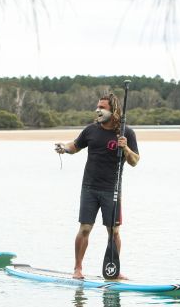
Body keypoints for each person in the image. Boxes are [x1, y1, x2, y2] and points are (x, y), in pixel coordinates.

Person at [54, 92, 140, 279]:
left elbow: (134, 161)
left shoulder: (126, 133)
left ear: (113, 110)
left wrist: (125, 148)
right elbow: (75, 145)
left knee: (114, 231)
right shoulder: (91, 130)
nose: (98, 110)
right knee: (85, 228)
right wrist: (64, 148)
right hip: (89, 188)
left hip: (112, 190)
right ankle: (78, 269)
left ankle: (114, 270)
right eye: (98, 106)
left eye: (102, 107)